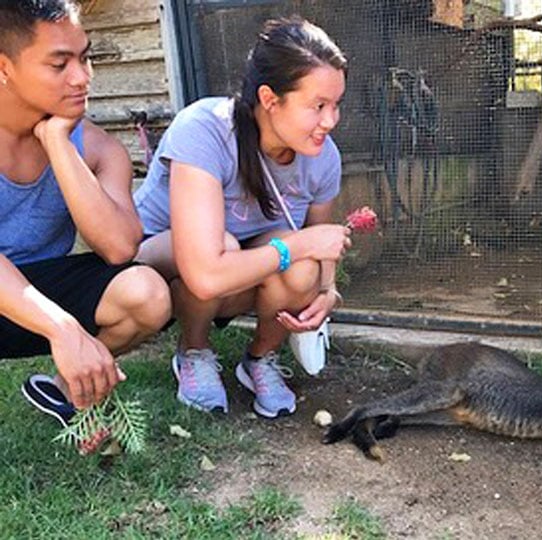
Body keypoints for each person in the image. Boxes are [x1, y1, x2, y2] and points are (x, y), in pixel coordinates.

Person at [134, 17, 352, 419]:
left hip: (239, 267)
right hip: (159, 265)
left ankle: (258, 360)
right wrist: (300, 245)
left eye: (336, 105)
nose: (331, 121)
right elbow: (205, 272)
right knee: (224, 248)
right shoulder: (205, 128)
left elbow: (318, 242)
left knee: (302, 270)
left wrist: (327, 290)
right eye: (318, 106)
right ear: (270, 99)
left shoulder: (323, 158)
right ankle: (193, 351)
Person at [0, 0, 171, 424]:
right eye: (59, 65)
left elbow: (119, 248)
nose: (82, 77)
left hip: (38, 286)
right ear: (5, 68)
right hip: (22, 299)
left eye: (85, 57)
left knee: (146, 294)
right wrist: (62, 326)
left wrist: (58, 142)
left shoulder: (96, 147)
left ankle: (63, 390)